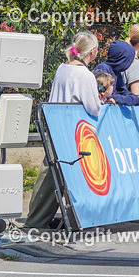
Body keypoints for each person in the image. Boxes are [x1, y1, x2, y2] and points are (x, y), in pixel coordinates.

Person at [26, 32, 101, 229]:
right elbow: (94, 108)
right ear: (91, 52)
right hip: (72, 131)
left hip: (55, 125)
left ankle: (37, 219)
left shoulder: (62, 68)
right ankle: (68, 220)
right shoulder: (85, 75)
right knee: (69, 176)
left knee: (49, 174)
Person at [93, 39, 139, 106]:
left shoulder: (116, 70)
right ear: (122, 59)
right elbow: (109, 95)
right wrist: (137, 99)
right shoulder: (103, 69)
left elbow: (123, 92)